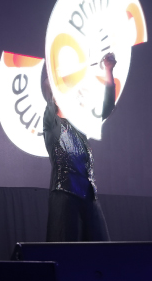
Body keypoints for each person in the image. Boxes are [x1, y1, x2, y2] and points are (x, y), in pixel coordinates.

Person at [41, 52, 118, 242]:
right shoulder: (51, 122)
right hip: (64, 193)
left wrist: (108, 71)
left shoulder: (81, 124)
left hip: (89, 194)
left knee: (102, 247)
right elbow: (52, 88)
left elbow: (107, 107)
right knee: (65, 248)